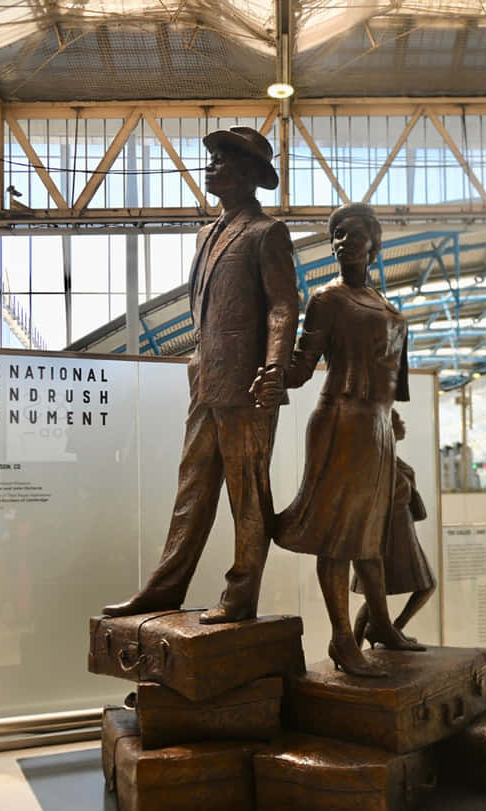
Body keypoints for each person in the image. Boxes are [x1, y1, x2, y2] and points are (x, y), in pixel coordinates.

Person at [103, 127, 299, 623]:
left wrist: (275, 365)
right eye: (209, 158)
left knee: (247, 493)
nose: (210, 166)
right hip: (208, 380)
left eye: (222, 159)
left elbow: (283, 306)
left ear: (252, 174)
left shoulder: (266, 232)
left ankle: (241, 594)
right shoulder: (206, 233)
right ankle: (165, 587)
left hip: (250, 386)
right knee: (191, 488)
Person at [254, 202, 423, 677]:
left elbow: (394, 390)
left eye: (352, 234)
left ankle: (382, 627)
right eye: (337, 235)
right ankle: (342, 640)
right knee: (337, 537)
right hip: (339, 422)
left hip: (377, 431)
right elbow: (303, 367)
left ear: (373, 243)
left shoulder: (392, 311)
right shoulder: (327, 300)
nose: (342, 241)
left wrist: (392, 437)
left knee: (370, 537)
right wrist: (271, 372)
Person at [352, 408, 436, 648]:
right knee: (383, 590)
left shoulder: (388, 456)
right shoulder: (378, 457)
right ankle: (379, 634)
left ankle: (382, 633)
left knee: (377, 593)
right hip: (391, 532)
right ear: (387, 427)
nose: (403, 422)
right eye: (398, 419)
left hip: (400, 529)